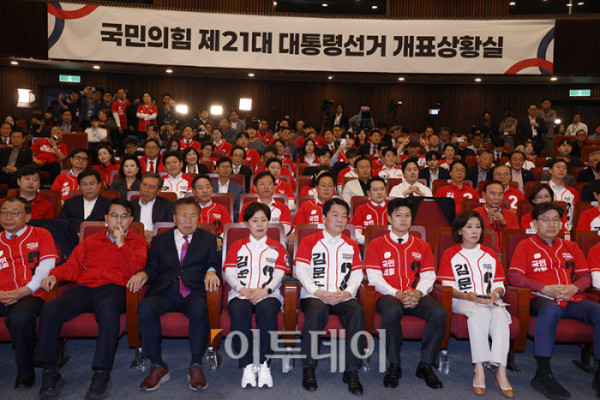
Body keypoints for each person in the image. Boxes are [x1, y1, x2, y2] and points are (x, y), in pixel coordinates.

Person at [36, 198, 147, 400]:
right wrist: (55, 275)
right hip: (86, 288)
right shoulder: (91, 240)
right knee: (51, 309)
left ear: (131, 220)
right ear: (106, 218)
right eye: (114, 216)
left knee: (108, 311)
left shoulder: (138, 242)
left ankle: (101, 372)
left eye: (124, 216)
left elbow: (136, 271)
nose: (118, 221)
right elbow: (72, 266)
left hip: (116, 289)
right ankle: (49, 371)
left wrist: (121, 244)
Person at [127, 198, 221, 392]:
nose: (188, 220)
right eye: (184, 215)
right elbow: (153, 267)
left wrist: (211, 271)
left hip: (193, 291)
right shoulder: (160, 240)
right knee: (146, 308)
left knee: (199, 307)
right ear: (175, 218)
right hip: (165, 292)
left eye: (193, 215)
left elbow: (214, 263)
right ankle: (158, 365)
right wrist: (143, 274)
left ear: (199, 218)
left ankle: (196, 364)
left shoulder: (208, 239)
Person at [508, 202, 600, 400]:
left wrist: (574, 288)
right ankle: (543, 373)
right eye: (546, 220)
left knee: (599, 312)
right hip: (540, 298)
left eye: (556, 220)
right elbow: (514, 276)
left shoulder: (571, 246)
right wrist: (543, 288)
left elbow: (585, 276)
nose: (551, 224)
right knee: (551, 310)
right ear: (535, 223)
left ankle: (599, 372)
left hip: (571, 297)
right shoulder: (525, 246)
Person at [365, 198, 446, 390]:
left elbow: (429, 275)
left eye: (407, 215)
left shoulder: (422, 245)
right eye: (398, 215)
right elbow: (374, 278)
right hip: (388, 296)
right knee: (391, 311)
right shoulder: (377, 244)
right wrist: (397, 293)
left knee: (438, 312)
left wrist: (417, 292)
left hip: (417, 295)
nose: (403, 219)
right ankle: (394, 365)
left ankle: (425, 365)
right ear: (389, 218)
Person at [437, 210, 513, 397]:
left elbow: (500, 285)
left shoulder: (490, 254)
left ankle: (501, 370)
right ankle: (479, 367)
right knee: (480, 312)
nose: (474, 231)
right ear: (460, 231)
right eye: (469, 227)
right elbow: (447, 287)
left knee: (501, 314)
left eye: (478, 227)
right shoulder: (451, 254)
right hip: (462, 300)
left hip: (489, 300)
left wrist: (495, 294)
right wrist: (468, 296)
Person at [294, 198, 365, 394]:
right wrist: (317, 292)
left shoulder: (351, 244)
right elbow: (300, 271)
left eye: (344, 216)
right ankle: (309, 369)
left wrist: (347, 292)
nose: (340, 220)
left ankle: (352, 371)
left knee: (357, 312)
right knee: (316, 311)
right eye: (335, 215)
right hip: (315, 295)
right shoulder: (309, 241)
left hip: (342, 295)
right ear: (324, 218)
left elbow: (357, 274)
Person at [223, 202, 287, 388]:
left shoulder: (277, 247)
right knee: (238, 310)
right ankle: (247, 364)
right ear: (246, 224)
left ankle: (265, 363)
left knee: (268, 311)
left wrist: (265, 290)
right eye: (254, 220)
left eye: (264, 220)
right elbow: (229, 273)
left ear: (269, 222)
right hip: (240, 293)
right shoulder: (237, 245)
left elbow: (279, 274)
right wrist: (242, 289)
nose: (260, 224)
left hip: (268, 294)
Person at [0, 197, 57, 390]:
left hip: (33, 293)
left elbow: (47, 267)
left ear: (27, 217)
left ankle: (25, 372)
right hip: (2, 293)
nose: (8, 217)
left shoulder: (41, 234)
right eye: (4, 212)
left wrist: (25, 290)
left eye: (14, 213)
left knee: (20, 318)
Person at [474, 181, 520, 253]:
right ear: (484, 195)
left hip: (507, 253)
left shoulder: (511, 215)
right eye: (492, 194)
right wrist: (489, 223)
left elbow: (516, 238)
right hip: (483, 253)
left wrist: (504, 224)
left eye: (500, 194)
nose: (497, 197)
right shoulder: (475, 214)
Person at [132, 173, 173, 244]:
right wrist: (142, 233)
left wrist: (155, 235)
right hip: (135, 242)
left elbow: (171, 229)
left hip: (159, 242)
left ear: (158, 191)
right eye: (144, 185)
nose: (146, 189)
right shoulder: (130, 205)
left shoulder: (168, 205)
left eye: (151, 187)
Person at [191, 174, 232, 244]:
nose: (205, 191)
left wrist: (220, 238)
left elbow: (228, 229)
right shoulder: (188, 209)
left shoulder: (222, 209)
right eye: (200, 188)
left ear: (212, 189)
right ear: (194, 192)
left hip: (216, 243)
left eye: (207, 187)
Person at [352, 176, 388, 245]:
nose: (379, 192)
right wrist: (370, 241)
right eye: (375, 190)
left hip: (390, 246)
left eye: (382, 189)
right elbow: (356, 233)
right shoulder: (361, 209)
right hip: (367, 246)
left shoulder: (393, 208)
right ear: (368, 193)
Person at [547, 158, 579, 231]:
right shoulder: (542, 190)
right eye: (558, 167)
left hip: (568, 230)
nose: (561, 170)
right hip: (547, 229)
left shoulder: (573, 192)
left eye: (564, 168)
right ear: (550, 170)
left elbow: (575, 215)